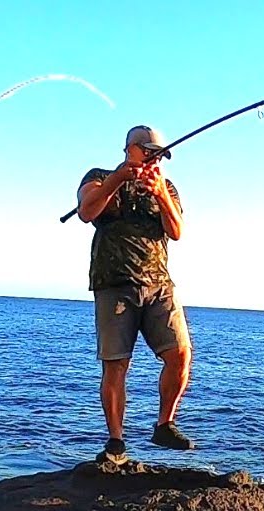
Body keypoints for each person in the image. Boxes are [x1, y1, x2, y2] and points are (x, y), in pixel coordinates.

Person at [76, 125, 194, 464]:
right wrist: (118, 179)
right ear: (131, 149)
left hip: (159, 284)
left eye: (159, 153)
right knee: (116, 365)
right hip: (114, 284)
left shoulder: (166, 186)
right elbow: (87, 211)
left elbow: (177, 231)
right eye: (149, 151)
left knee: (180, 354)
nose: (155, 158)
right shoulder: (99, 176)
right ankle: (115, 442)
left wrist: (159, 193)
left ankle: (164, 423)